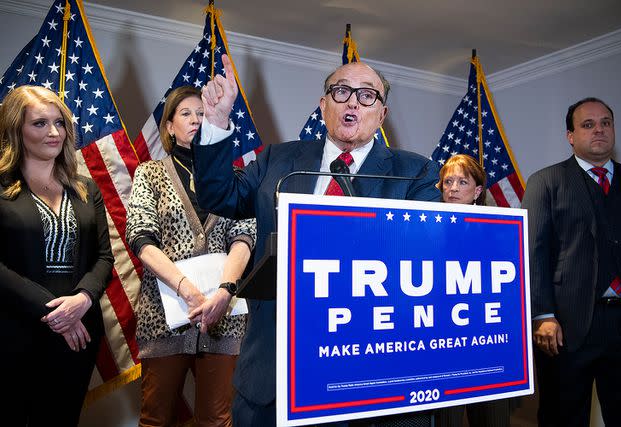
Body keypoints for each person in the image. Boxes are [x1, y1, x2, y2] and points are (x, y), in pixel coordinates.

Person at [191, 54, 441, 426]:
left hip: (369, 379)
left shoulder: (416, 172)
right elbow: (218, 197)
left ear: (382, 114)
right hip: (272, 380)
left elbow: (426, 252)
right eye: (341, 91)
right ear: (323, 104)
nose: (353, 101)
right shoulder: (277, 158)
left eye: (367, 95)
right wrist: (215, 122)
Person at [125, 85, 256, 427]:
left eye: (202, 113)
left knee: (216, 419)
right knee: (157, 418)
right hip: (165, 313)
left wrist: (224, 290)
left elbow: (244, 236)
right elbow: (140, 237)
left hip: (223, 312)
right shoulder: (150, 173)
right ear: (168, 126)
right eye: (186, 113)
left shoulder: (237, 178)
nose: (196, 119)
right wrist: (187, 289)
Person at [522, 97, 621, 427]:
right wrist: (542, 315)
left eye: (605, 123)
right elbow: (534, 252)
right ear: (571, 136)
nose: (599, 130)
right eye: (588, 125)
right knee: (563, 416)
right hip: (567, 328)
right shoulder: (546, 181)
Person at [0, 85, 113, 425]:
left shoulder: (85, 188)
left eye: (59, 123)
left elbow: (104, 258)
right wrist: (55, 314)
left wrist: (81, 300)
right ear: (15, 129)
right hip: (13, 333)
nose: (53, 132)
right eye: (39, 123)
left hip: (77, 335)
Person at [435, 154, 512, 427]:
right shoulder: (426, 229)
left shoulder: (500, 231)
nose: (453, 188)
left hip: (487, 343)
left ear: (478, 190)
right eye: (448, 181)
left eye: (462, 182)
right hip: (442, 343)